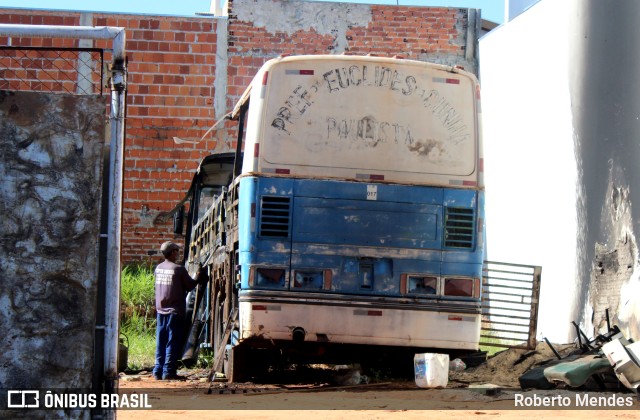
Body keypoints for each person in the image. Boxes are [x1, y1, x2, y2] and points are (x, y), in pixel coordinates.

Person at [153, 240, 202, 380]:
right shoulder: (178, 269)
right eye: (177, 251)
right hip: (174, 312)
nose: (178, 254)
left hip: (161, 311)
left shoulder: (158, 268)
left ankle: (157, 371)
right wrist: (198, 276)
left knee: (161, 341)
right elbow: (190, 285)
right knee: (172, 342)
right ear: (173, 252)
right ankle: (168, 371)